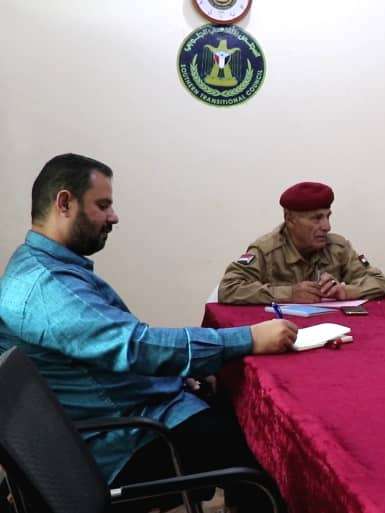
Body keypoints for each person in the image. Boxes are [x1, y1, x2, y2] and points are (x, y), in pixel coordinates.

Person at [0, 154, 296, 511]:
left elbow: (108, 352)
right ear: (64, 203)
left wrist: (177, 375)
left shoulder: (41, 268)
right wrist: (249, 338)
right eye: (103, 205)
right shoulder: (47, 287)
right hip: (122, 442)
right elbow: (135, 345)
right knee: (268, 448)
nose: (114, 216)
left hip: (122, 417)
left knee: (236, 404)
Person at [219, 181, 385, 304]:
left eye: (328, 216)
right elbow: (228, 288)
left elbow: (377, 280)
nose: (327, 227)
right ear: (290, 219)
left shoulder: (338, 247)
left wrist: (345, 291)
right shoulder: (266, 251)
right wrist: (288, 294)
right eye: (316, 218)